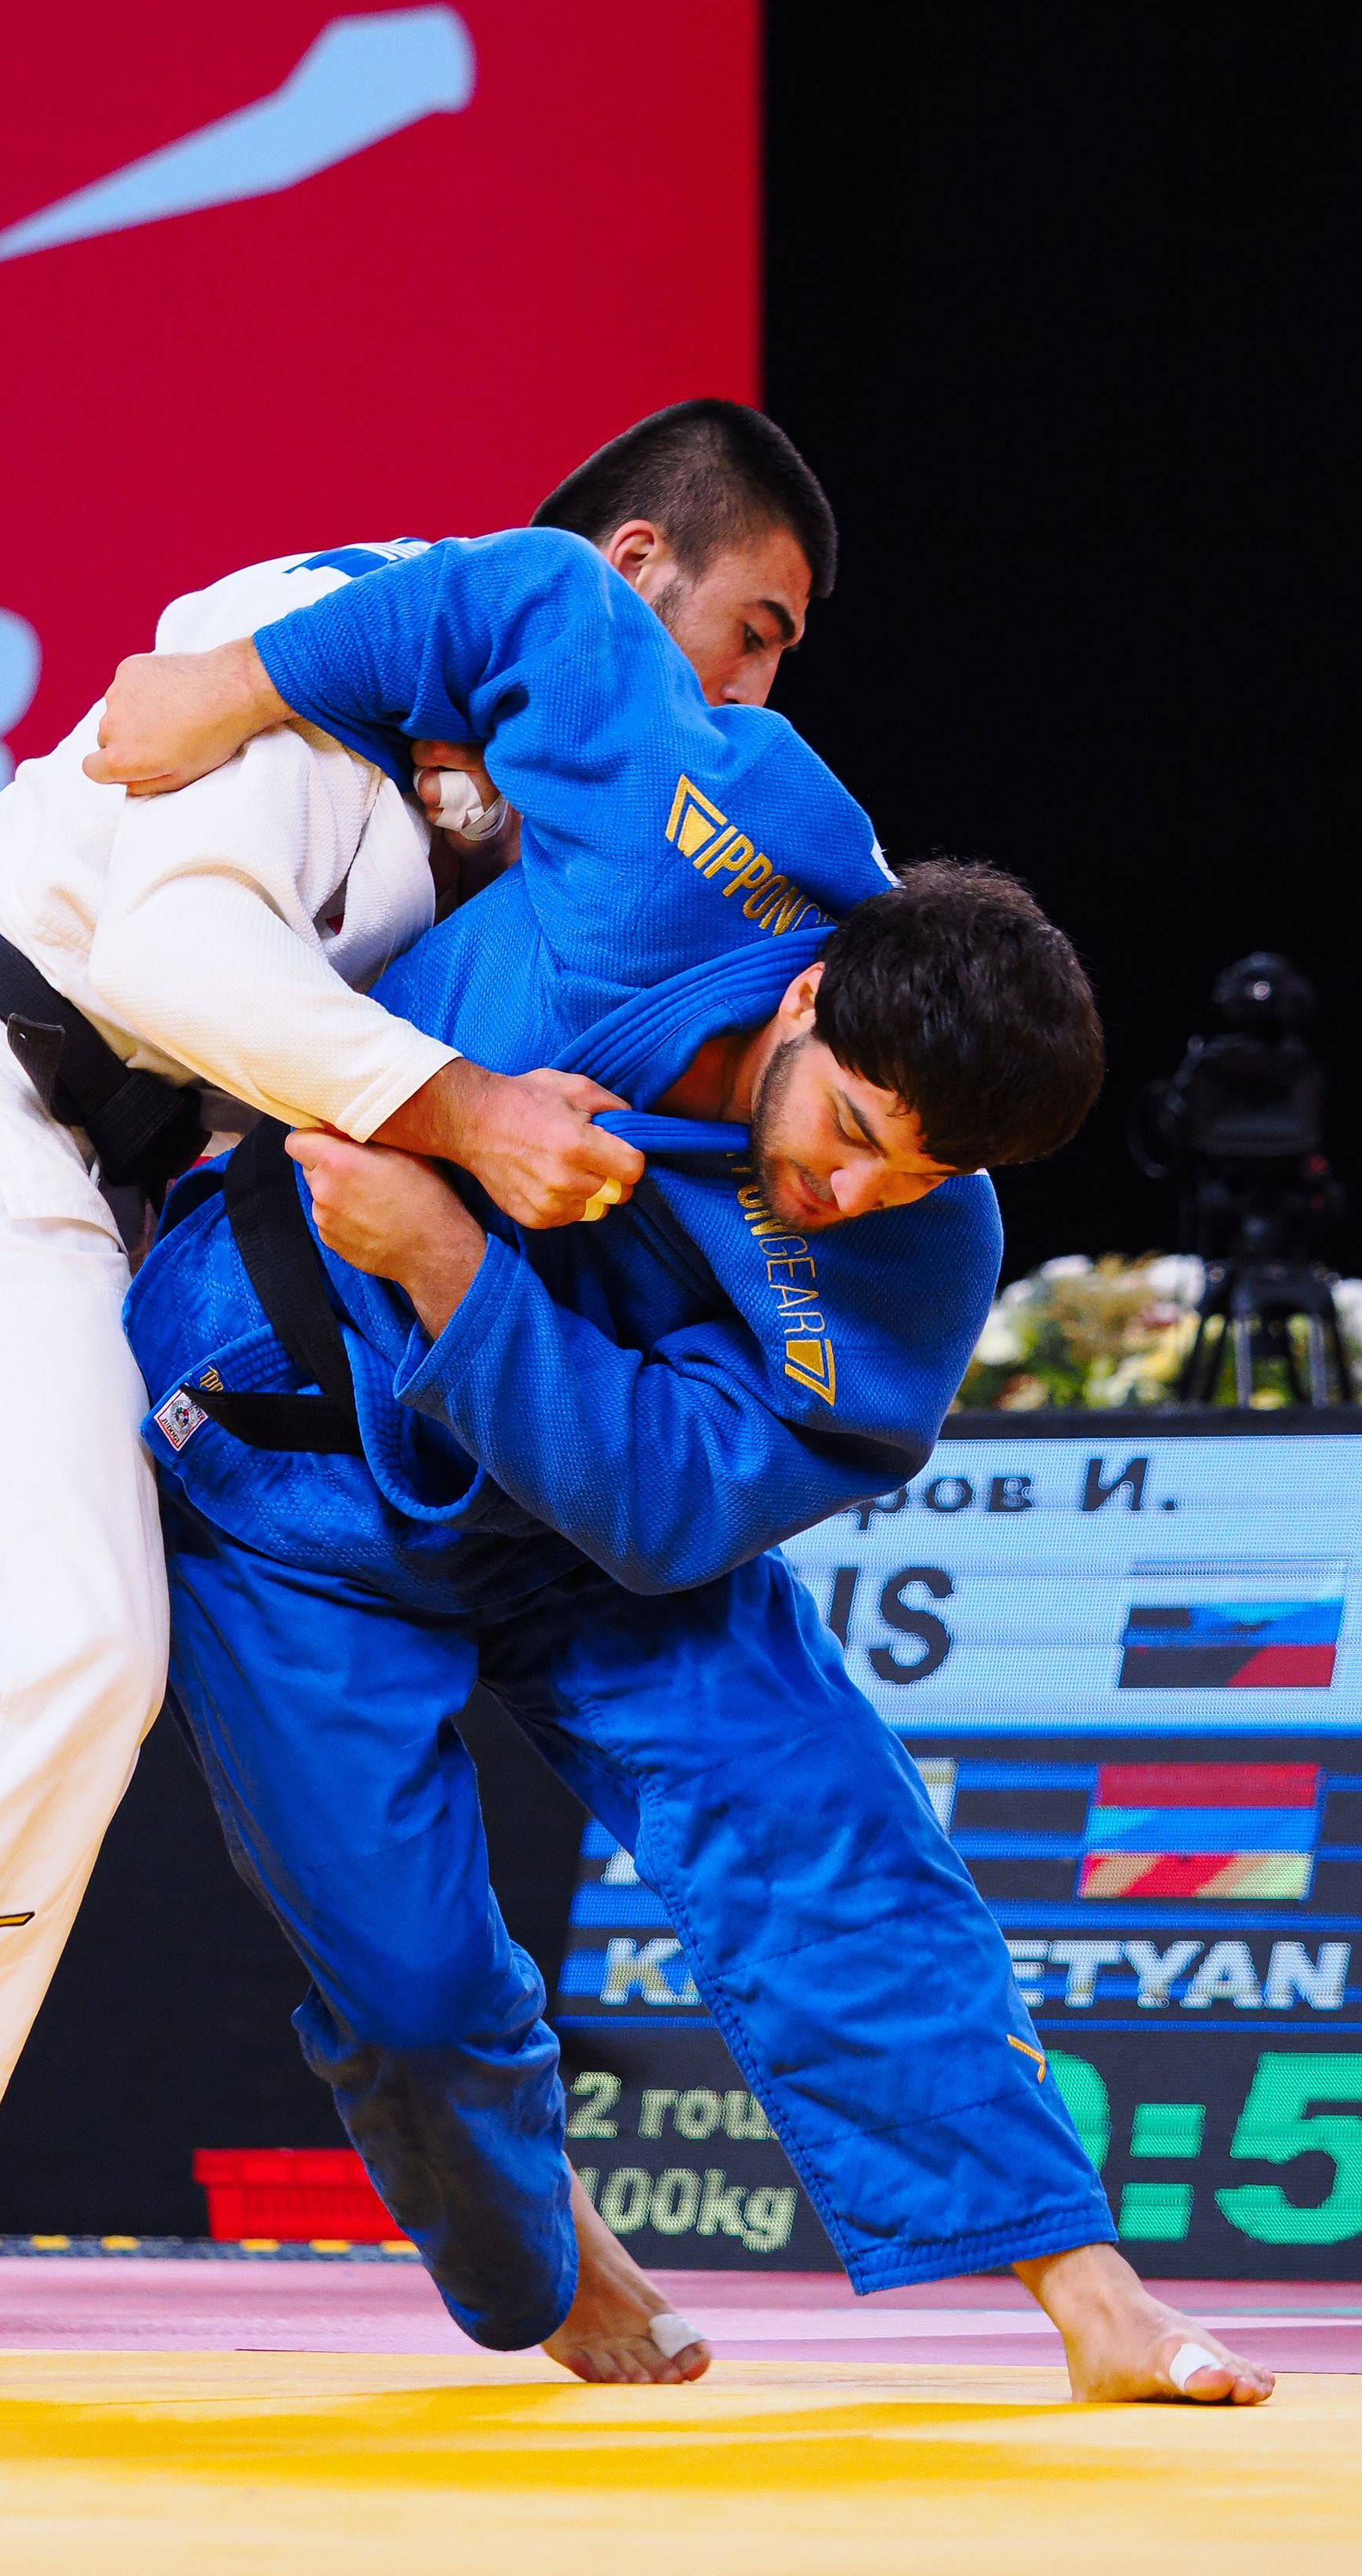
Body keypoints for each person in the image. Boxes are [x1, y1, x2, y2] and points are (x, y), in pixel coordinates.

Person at [0, 401, 837, 2393]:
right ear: (627, 573)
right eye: (755, 627)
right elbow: (180, 960)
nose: (757, 683)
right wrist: (462, 1111)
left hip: (26, 1160)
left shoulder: (495, 798)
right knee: (62, 1645)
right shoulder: (325, 631)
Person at [90, 531, 1275, 2408]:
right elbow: (530, 596)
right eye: (855, 1130)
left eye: (918, 1175)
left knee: (826, 1826)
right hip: (279, 1459)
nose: (853, 1192)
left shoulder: (916, 1257)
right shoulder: (705, 832)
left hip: (590, 1530)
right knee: (407, 1988)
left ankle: (1085, 2292)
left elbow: (667, 1507)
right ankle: (546, 2261)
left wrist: (450, 1260)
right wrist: (230, 687)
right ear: (808, 999)